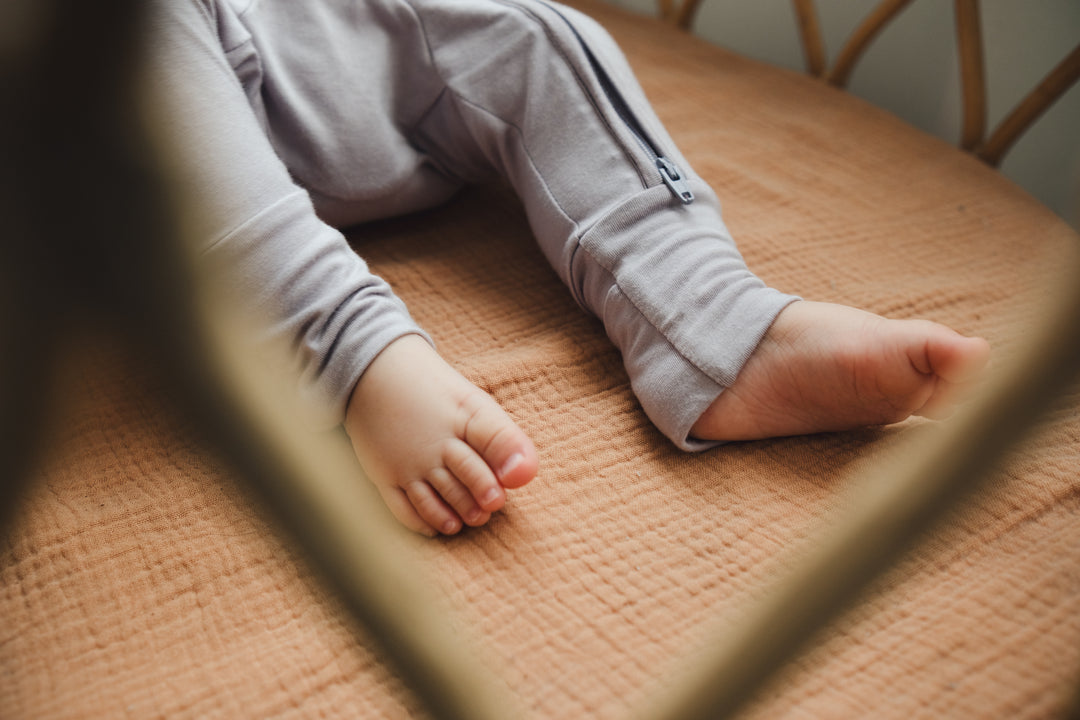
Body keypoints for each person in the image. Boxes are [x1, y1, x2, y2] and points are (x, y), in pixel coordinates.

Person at [149, 0, 991, 537]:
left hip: (312, 36)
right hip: (130, 97)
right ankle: (352, 348)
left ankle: (711, 323)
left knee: (539, 38)